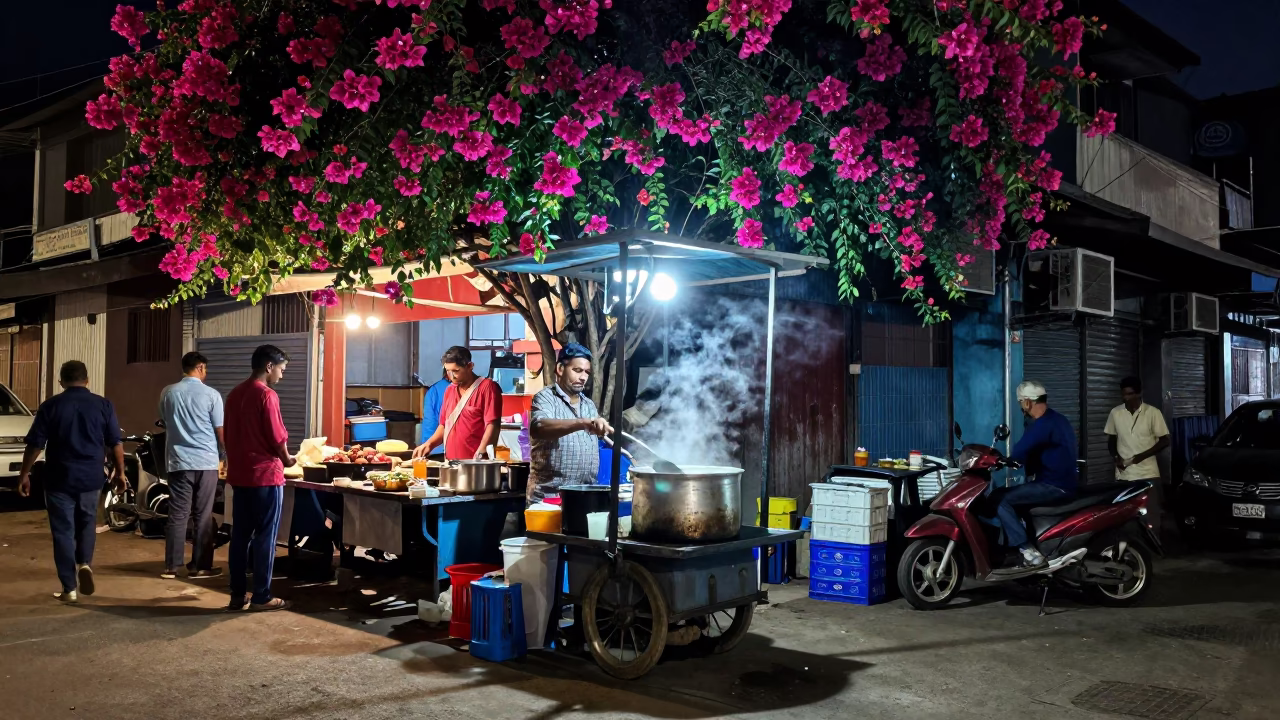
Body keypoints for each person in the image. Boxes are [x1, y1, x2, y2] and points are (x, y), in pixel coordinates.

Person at [17, 361, 126, 603]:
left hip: (58, 478)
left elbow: (35, 444)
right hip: (91, 477)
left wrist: (24, 473)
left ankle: (69, 588)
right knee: (87, 523)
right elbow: (115, 443)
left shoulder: (50, 406)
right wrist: (120, 472)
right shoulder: (103, 405)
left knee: (63, 531)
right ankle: (84, 562)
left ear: (61, 382)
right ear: (87, 380)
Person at [223, 345, 294, 612]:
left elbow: (228, 434)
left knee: (240, 536)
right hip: (265, 475)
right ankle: (262, 596)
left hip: (240, 475)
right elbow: (277, 437)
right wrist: (288, 459)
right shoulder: (266, 395)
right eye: (281, 369)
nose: (281, 375)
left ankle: (237, 595)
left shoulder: (234, 394)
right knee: (266, 536)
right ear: (269, 366)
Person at [157, 351, 226, 580]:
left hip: (179, 462)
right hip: (206, 463)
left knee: (178, 514)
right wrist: (225, 455)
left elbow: (165, 421)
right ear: (200, 367)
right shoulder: (212, 395)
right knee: (203, 515)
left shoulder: (168, 392)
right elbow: (220, 431)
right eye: (205, 369)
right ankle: (200, 566)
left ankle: (171, 567)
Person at [998, 380, 1080, 569]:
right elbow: (1033, 453)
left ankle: (1028, 551)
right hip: (1063, 482)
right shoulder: (1058, 419)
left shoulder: (1042, 425)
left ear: (1027, 402)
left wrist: (1000, 460)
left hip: (1054, 486)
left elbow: (1020, 452)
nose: (1021, 407)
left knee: (1000, 499)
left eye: (1020, 403)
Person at [529, 343, 612, 504]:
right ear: (560, 369)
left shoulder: (588, 405)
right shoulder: (545, 398)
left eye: (587, 372)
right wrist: (582, 423)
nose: (583, 377)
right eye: (577, 370)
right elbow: (539, 427)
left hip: (584, 496)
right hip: (550, 498)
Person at [412, 346, 502, 461]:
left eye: (456, 371)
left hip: (476, 462)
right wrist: (429, 444)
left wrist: (481, 453)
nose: (451, 376)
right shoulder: (449, 390)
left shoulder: (487, 387)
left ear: (470, 366)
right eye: (448, 371)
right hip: (450, 462)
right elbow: (444, 425)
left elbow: (493, 425)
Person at [1105, 376, 1170, 533]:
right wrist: (1116, 458)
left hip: (1148, 473)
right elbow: (1111, 440)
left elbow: (1165, 441)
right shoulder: (1115, 413)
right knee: (1124, 514)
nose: (1126, 398)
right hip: (1124, 475)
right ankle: (1130, 548)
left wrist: (1141, 457)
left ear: (1139, 393)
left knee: (1151, 513)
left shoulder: (1153, 413)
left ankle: (1154, 547)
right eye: (1124, 394)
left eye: (1130, 394)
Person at [419, 368, 450, 458]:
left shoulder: (434, 390)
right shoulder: (463, 389)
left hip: (435, 450)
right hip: (458, 452)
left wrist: (428, 446)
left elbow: (430, 424)